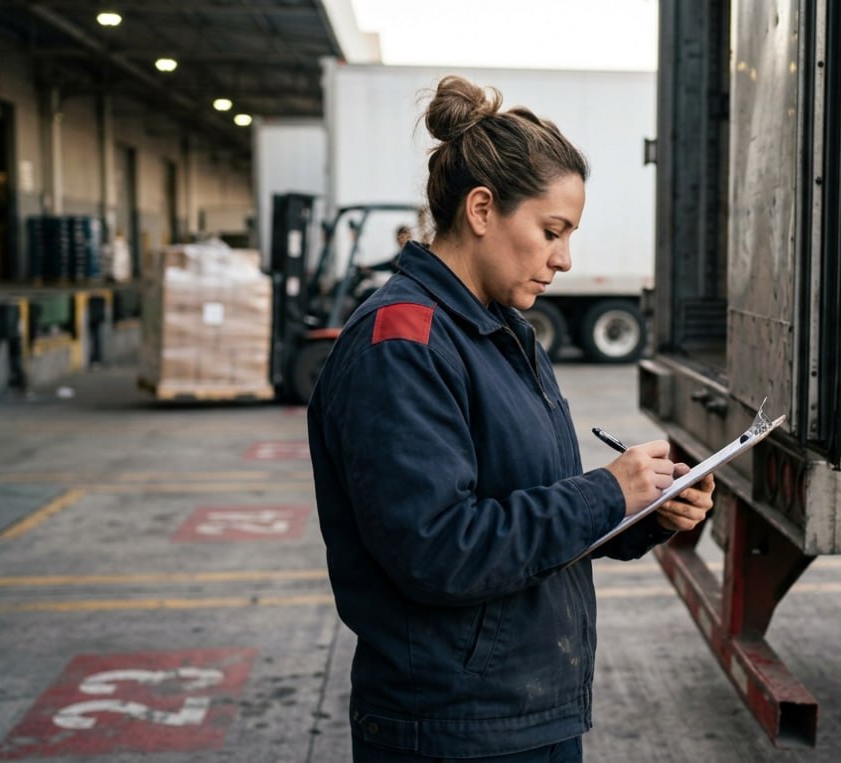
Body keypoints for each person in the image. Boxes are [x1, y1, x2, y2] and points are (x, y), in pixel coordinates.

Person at [307, 75, 715, 762]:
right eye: (551, 231)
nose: (565, 258)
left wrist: (644, 507)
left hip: (522, 711)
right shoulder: (402, 346)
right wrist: (604, 490)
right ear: (482, 208)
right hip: (452, 730)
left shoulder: (503, 332)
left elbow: (527, 515)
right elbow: (438, 549)